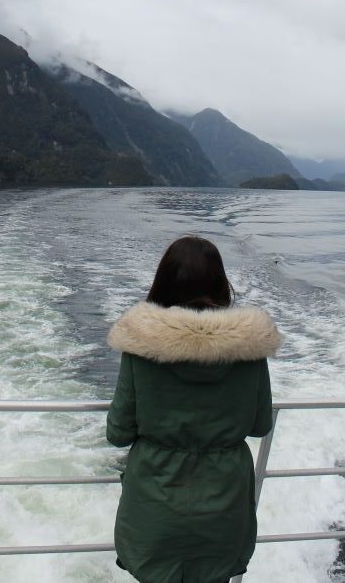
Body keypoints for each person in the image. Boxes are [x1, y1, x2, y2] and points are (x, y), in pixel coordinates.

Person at [106, 235, 281, 583]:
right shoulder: (250, 349)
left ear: (163, 283)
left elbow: (118, 432)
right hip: (224, 508)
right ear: (221, 284)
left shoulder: (141, 347)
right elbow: (261, 424)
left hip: (156, 506)